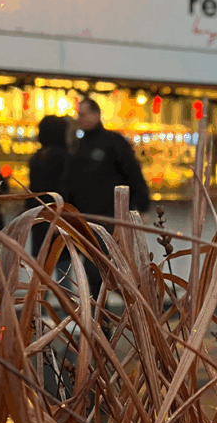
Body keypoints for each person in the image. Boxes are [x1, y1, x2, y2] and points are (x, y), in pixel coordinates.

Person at [65, 97, 150, 294]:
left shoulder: (113, 142)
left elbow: (133, 174)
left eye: (83, 114)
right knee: (93, 267)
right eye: (78, 114)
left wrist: (142, 206)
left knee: (104, 268)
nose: (79, 119)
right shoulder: (77, 146)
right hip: (84, 217)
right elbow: (70, 181)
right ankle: (101, 315)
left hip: (109, 218)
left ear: (96, 114)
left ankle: (135, 307)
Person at [25, 115, 70, 257]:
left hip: (39, 216)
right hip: (59, 217)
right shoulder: (64, 157)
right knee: (63, 265)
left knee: (41, 265)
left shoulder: (37, 158)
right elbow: (66, 190)